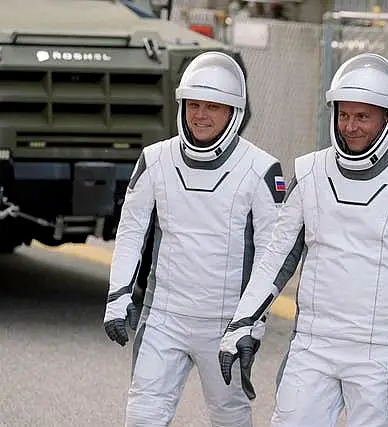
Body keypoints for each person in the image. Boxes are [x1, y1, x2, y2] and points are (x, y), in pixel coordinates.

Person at [218, 53, 388, 427]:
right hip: (312, 345)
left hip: (381, 354)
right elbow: (276, 256)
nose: (350, 126)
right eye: (344, 114)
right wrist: (243, 324)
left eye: (362, 116)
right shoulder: (309, 171)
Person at [102, 51, 285, 426]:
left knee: (229, 416)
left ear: (233, 111)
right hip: (162, 318)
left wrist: (252, 324)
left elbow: (274, 255)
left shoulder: (262, 169)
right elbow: (131, 231)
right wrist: (118, 295)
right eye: (194, 105)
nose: (200, 115)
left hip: (225, 326)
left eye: (212, 107)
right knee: (143, 415)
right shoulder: (154, 159)